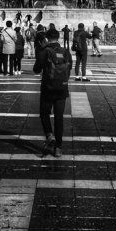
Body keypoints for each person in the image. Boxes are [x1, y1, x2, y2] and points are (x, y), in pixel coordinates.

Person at [33, 27, 73, 157]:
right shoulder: (65, 51)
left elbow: (36, 70)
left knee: (44, 113)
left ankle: (50, 135)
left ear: (47, 38)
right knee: (59, 117)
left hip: (48, 88)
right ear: (59, 37)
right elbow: (69, 67)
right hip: (62, 88)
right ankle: (58, 148)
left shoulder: (45, 51)